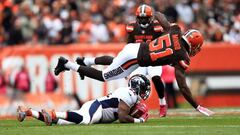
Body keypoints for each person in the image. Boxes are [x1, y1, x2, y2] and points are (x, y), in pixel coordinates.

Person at [54, 24, 214, 116]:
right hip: (137, 58)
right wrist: (196, 106)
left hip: (136, 50)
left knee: (118, 67)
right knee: (104, 76)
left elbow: (160, 16)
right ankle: (67, 64)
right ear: (194, 44)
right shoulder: (182, 55)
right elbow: (183, 86)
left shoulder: (176, 30)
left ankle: (84, 62)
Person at [76, 4, 170, 117]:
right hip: (137, 59)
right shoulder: (132, 27)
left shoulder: (157, 27)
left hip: (153, 58)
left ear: (150, 18)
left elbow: (165, 40)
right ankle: (135, 107)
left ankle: (162, 103)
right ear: (137, 18)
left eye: (145, 18)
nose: (143, 21)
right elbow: (129, 43)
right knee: (135, 84)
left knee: (155, 77)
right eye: (141, 18)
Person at [17, 74, 150, 126]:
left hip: (98, 110)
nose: (144, 92)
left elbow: (124, 113)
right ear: (137, 86)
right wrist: (139, 120)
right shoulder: (130, 93)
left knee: (62, 123)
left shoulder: (130, 96)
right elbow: (122, 117)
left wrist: (135, 112)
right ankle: (53, 113)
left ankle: (29, 112)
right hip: (98, 107)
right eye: (143, 89)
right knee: (85, 120)